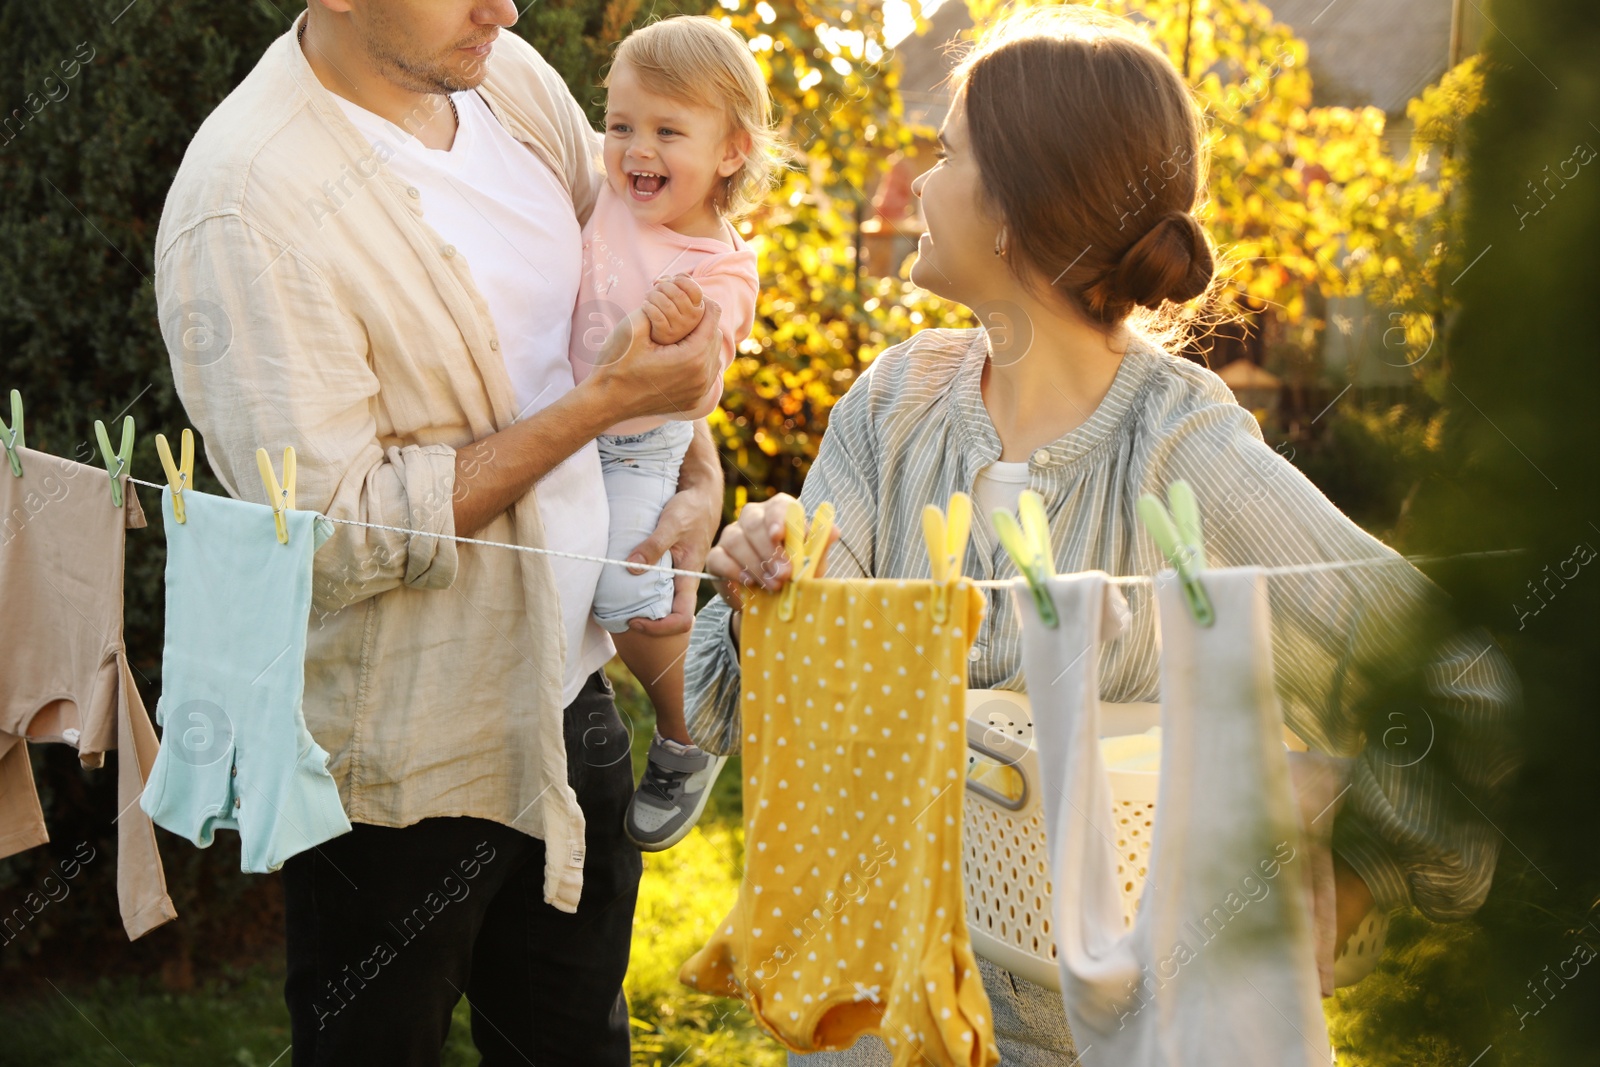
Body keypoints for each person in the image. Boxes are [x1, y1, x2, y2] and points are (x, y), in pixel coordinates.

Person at [682, 7, 1519, 1064]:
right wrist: (765, 574)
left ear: (1016, 209)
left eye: (947, 154)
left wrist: (1345, 855)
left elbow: (1459, 683)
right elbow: (732, 696)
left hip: (1099, 1037)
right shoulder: (893, 403)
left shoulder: (1179, 451)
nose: (922, 180)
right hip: (877, 1017)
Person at [155, 2, 725, 1063]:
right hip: (401, 775)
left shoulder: (504, 78)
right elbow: (338, 532)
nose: (502, 7)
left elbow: (633, 293)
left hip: (572, 711)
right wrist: (597, 410)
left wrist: (692, 471)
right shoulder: (246, 207)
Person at [566, 16, 775, 853]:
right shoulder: (605, 185)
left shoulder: (721, 269)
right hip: (563, 421)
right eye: (621, 125)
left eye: (665, 131)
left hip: (638, 444)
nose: (634, 149)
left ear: (731, 150)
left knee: (627, 592)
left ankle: (687, 737)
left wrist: (665, 337)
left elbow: (689, 383)